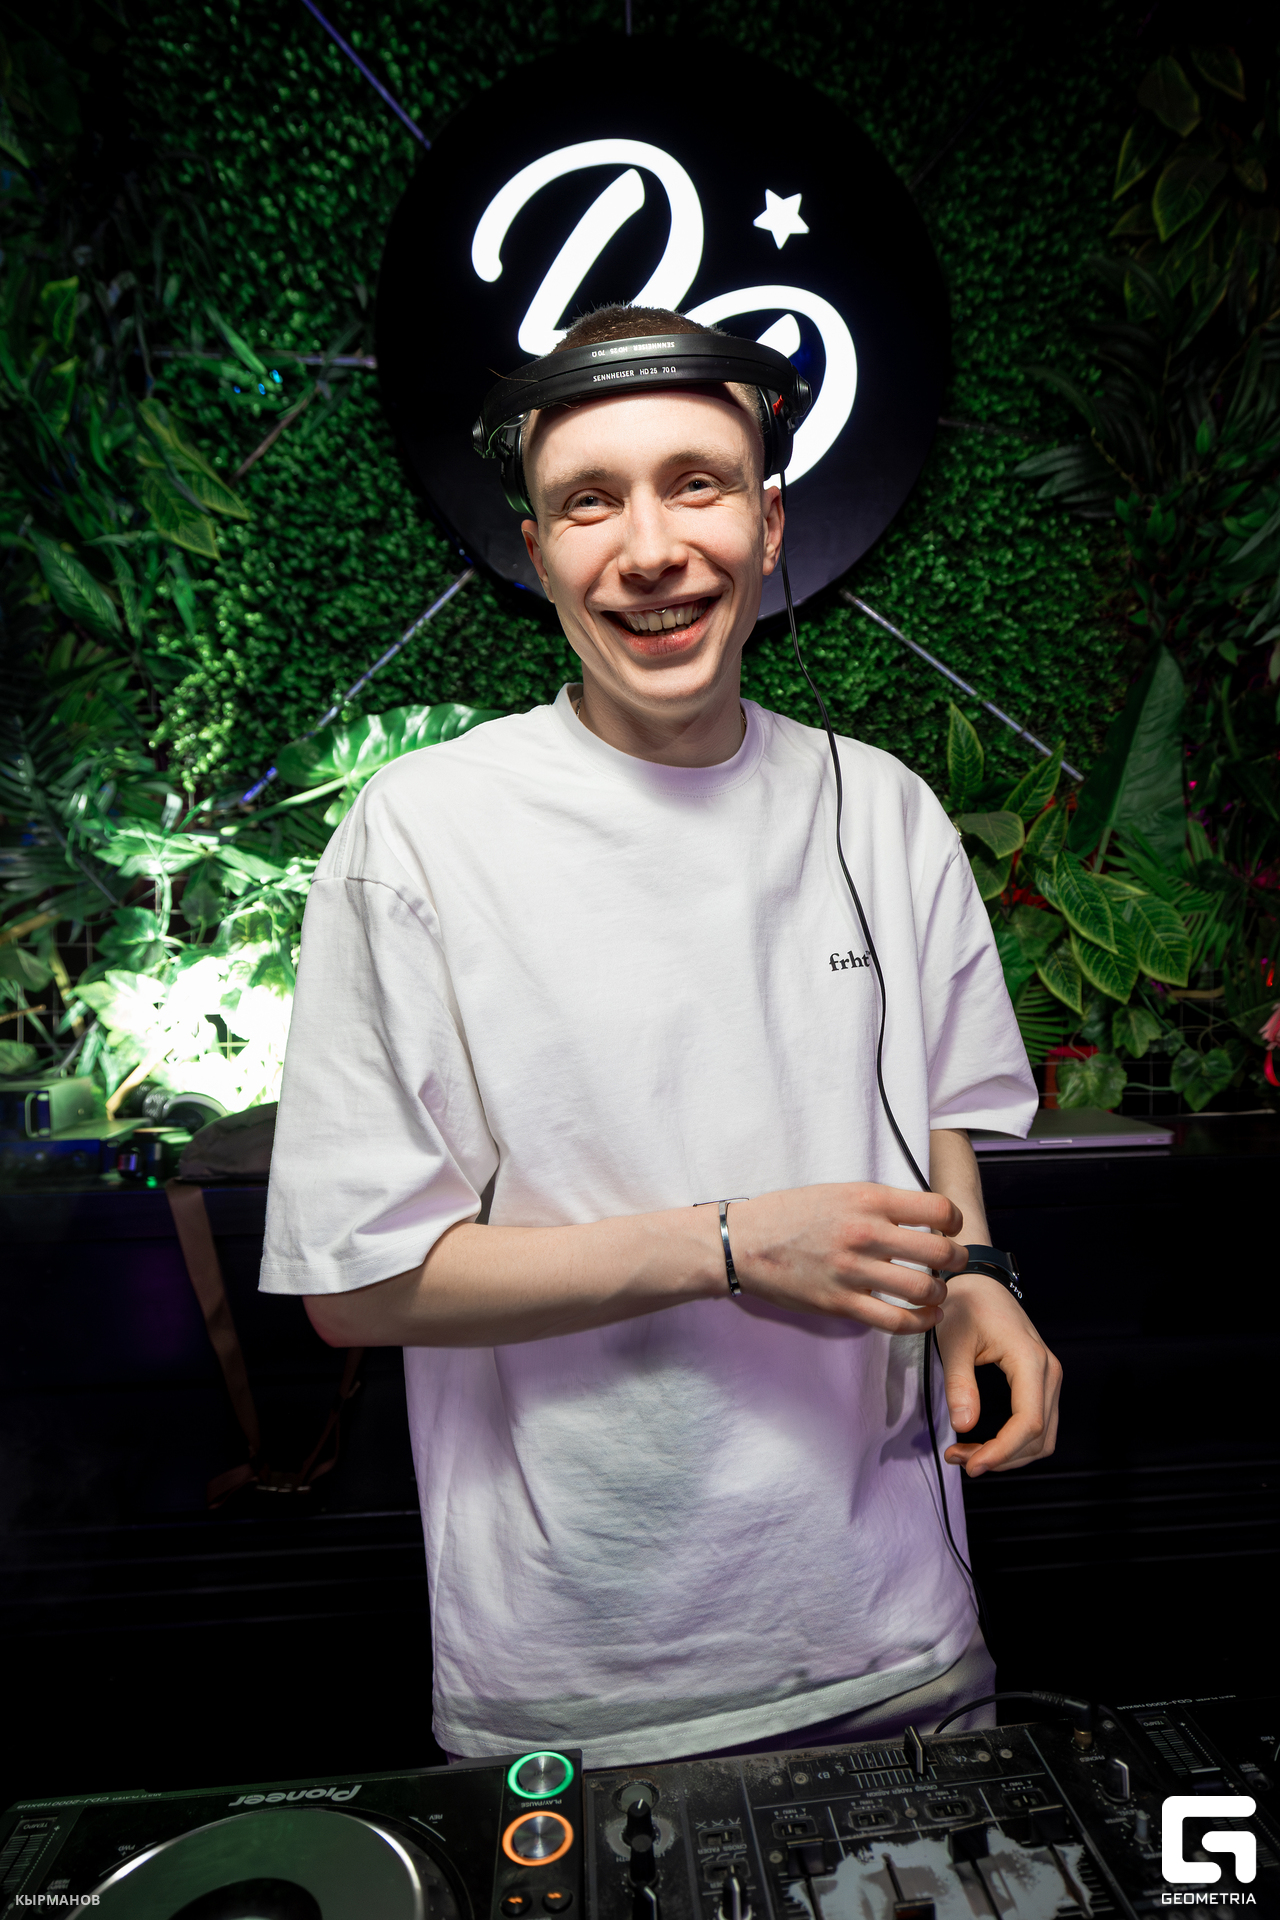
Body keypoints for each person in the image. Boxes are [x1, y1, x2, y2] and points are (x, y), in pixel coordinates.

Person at [259, 303, 1061, 1768]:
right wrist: (729, 1243)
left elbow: (936, 1105)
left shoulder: (886, 810)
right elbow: (358, 1288)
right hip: (584, 1691)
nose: (649, 548)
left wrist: (976, 1277)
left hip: (906, 1645)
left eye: (696, 484)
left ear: (768, 522)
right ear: (533, 550)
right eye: (589, 501)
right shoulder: (423, 835)